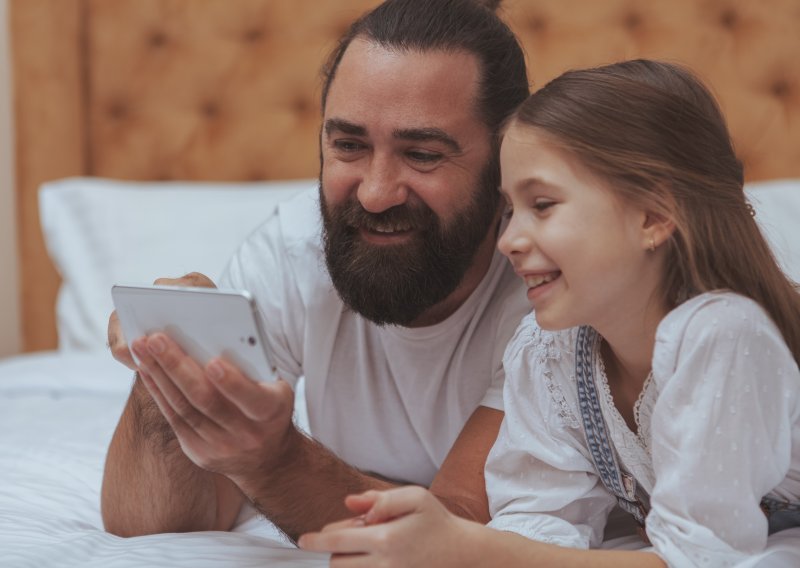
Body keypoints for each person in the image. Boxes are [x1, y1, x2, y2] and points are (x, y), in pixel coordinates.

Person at [298, 60, 800, 566]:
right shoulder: (552, 354)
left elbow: (699, 559)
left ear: (652, 215)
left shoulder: (723, 336)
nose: (509, 240)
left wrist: (464, 548)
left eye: (542, 204)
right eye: (510, 210)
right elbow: (539, 526)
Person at [100, 0, 531, 542]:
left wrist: (274, 461)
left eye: (422, 154)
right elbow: (151, 523)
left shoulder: (545, 282)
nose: (375, 194)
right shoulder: (293, 251)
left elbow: (457, 530)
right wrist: (164, 361)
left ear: (506, 160)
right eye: (348, 145)